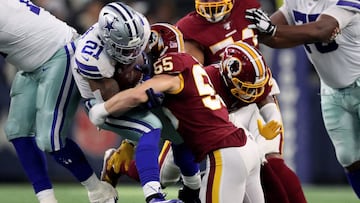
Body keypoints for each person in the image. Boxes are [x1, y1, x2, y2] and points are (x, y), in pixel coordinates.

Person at [89, 22, 279, 203]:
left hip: (226, 152)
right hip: (246, 145)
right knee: (172, 170)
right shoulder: (195, 68)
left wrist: (102, 109)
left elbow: (139, 95)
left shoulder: (172, 72)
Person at [173, 0, 307, 202]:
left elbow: (272, 39)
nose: (212, 4)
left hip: (259, 91)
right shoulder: (188, 27)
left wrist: (270, 30)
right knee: (170, 166)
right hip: (225, 104)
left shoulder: (248, 6)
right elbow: (192, 75)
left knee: (272, 162)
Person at [0, 1, 118, 203]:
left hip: (59, 52)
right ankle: (47, 200)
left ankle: (99, 191)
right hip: (32, 63)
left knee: (51, 139)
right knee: (17, 131)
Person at [244, 0, 360, 198]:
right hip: (331, 87)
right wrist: (265, 28)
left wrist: (272, 29)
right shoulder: (296, 1)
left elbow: (322, 30)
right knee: (349, 158)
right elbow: (272, 38)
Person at [70, 2, 182, 203]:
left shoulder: (141, 28)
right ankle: (154, 197)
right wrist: (144, 92)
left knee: (181, 129)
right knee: (150, 127)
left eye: (137, 47)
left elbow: (146, 57)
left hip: (134, 88)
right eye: (126, 49)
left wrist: (150, 81)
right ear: (107, 41)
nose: (134, 54)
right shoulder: (92, 57)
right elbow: (114, 103)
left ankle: (192, 188)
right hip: (103, 105)